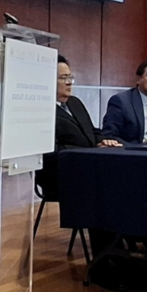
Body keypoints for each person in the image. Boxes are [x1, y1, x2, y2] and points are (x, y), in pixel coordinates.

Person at [36, 55, 121, 199]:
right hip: (60, 173)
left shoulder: (74, 102)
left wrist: (103, 141)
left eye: (70, 77)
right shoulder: (41, 110)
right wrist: (91, 151)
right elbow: (52, 151)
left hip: (87, 166)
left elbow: (91, 131)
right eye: (63, 78)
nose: (69, 82)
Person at [102, 58, 147, 144]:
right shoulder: (121, 101)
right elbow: (109, 135)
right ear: (139, 79)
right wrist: (140, 147)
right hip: (131, 151)